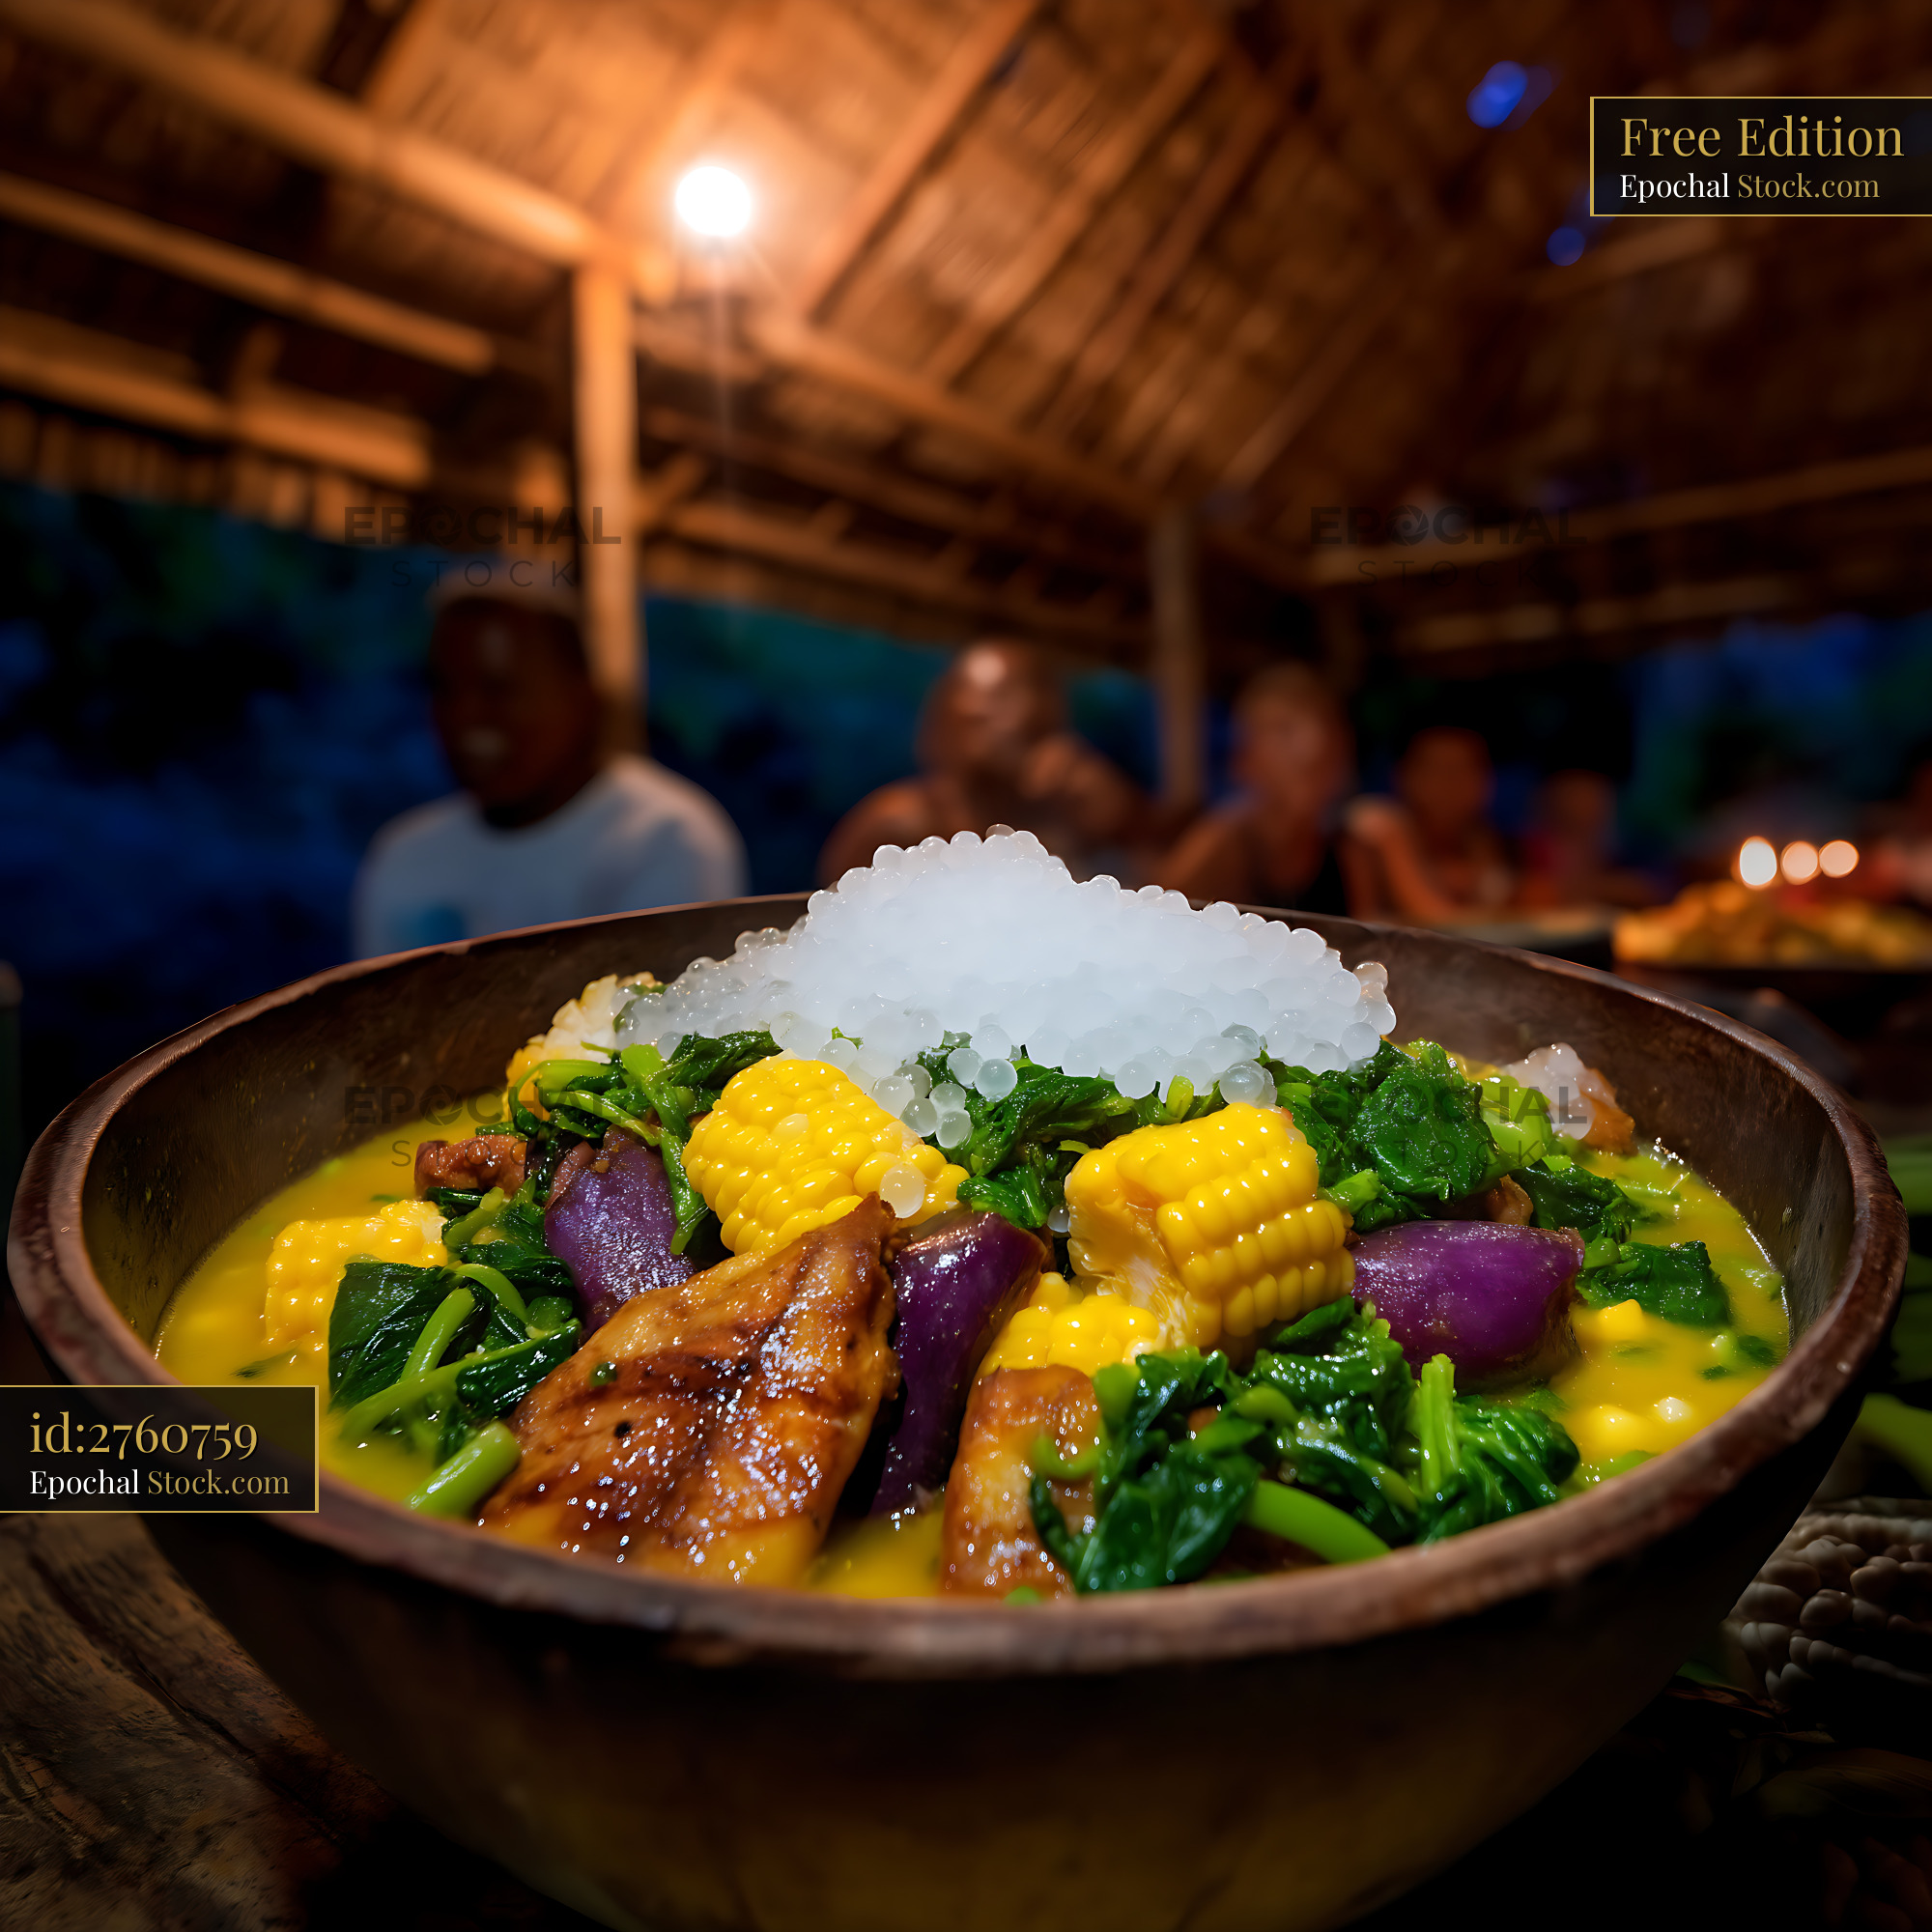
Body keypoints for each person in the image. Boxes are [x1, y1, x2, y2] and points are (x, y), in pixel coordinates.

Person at [354, 571, 746, 957]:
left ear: (582, 698)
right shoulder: (404, 858)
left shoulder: (667, 837)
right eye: (446, 689)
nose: (466, 717)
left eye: (499, 689)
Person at [817, 639, 1156, 882]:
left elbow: (1161, 898)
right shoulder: (901, 823)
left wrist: (1123, 820)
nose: (982, 711)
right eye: (984, 696)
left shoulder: (1065, 816)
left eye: (1013, 696)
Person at [1152, 663, 1353, 912]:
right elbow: (1149, 917)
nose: (1307, 747)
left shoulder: (1355, 841)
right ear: (1244, 759)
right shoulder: (1226, 840)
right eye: (1280, 731)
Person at [1343, 724, 1515, 922]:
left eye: (1465, 768)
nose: (1451, 783)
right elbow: (1438, 921)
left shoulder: (1481, 838)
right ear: (1403, 775)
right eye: (1436, 769)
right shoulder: (1376, 830)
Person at [1515, 768, 1659, 910]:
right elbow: (1534, 894)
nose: (1589, 802)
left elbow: (1646, 890)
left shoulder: (1610, 848)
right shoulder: (1528, 849)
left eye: (1598, 792)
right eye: (1577, 791)